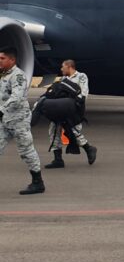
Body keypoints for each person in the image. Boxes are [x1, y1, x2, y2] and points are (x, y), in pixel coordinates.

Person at [0, 48, 45, 194]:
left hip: (19, 120)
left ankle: (38, 182)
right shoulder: (2, 75)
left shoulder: (18, 76)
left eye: (2, 58)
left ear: (12, 60)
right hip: (4, 120)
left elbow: (17, 97)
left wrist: (1, 109)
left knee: (26, 150)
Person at [45, 59, 97, 168]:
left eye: (62, 66)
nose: (61, 69)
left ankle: (89, 148)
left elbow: (83, 93)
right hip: (61, 109)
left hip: (74, 110)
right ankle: (58, 160)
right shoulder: (64, 79)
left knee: (73, 131)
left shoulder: (81, 76)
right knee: (53, 131)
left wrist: (72, 102)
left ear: (69, 66)